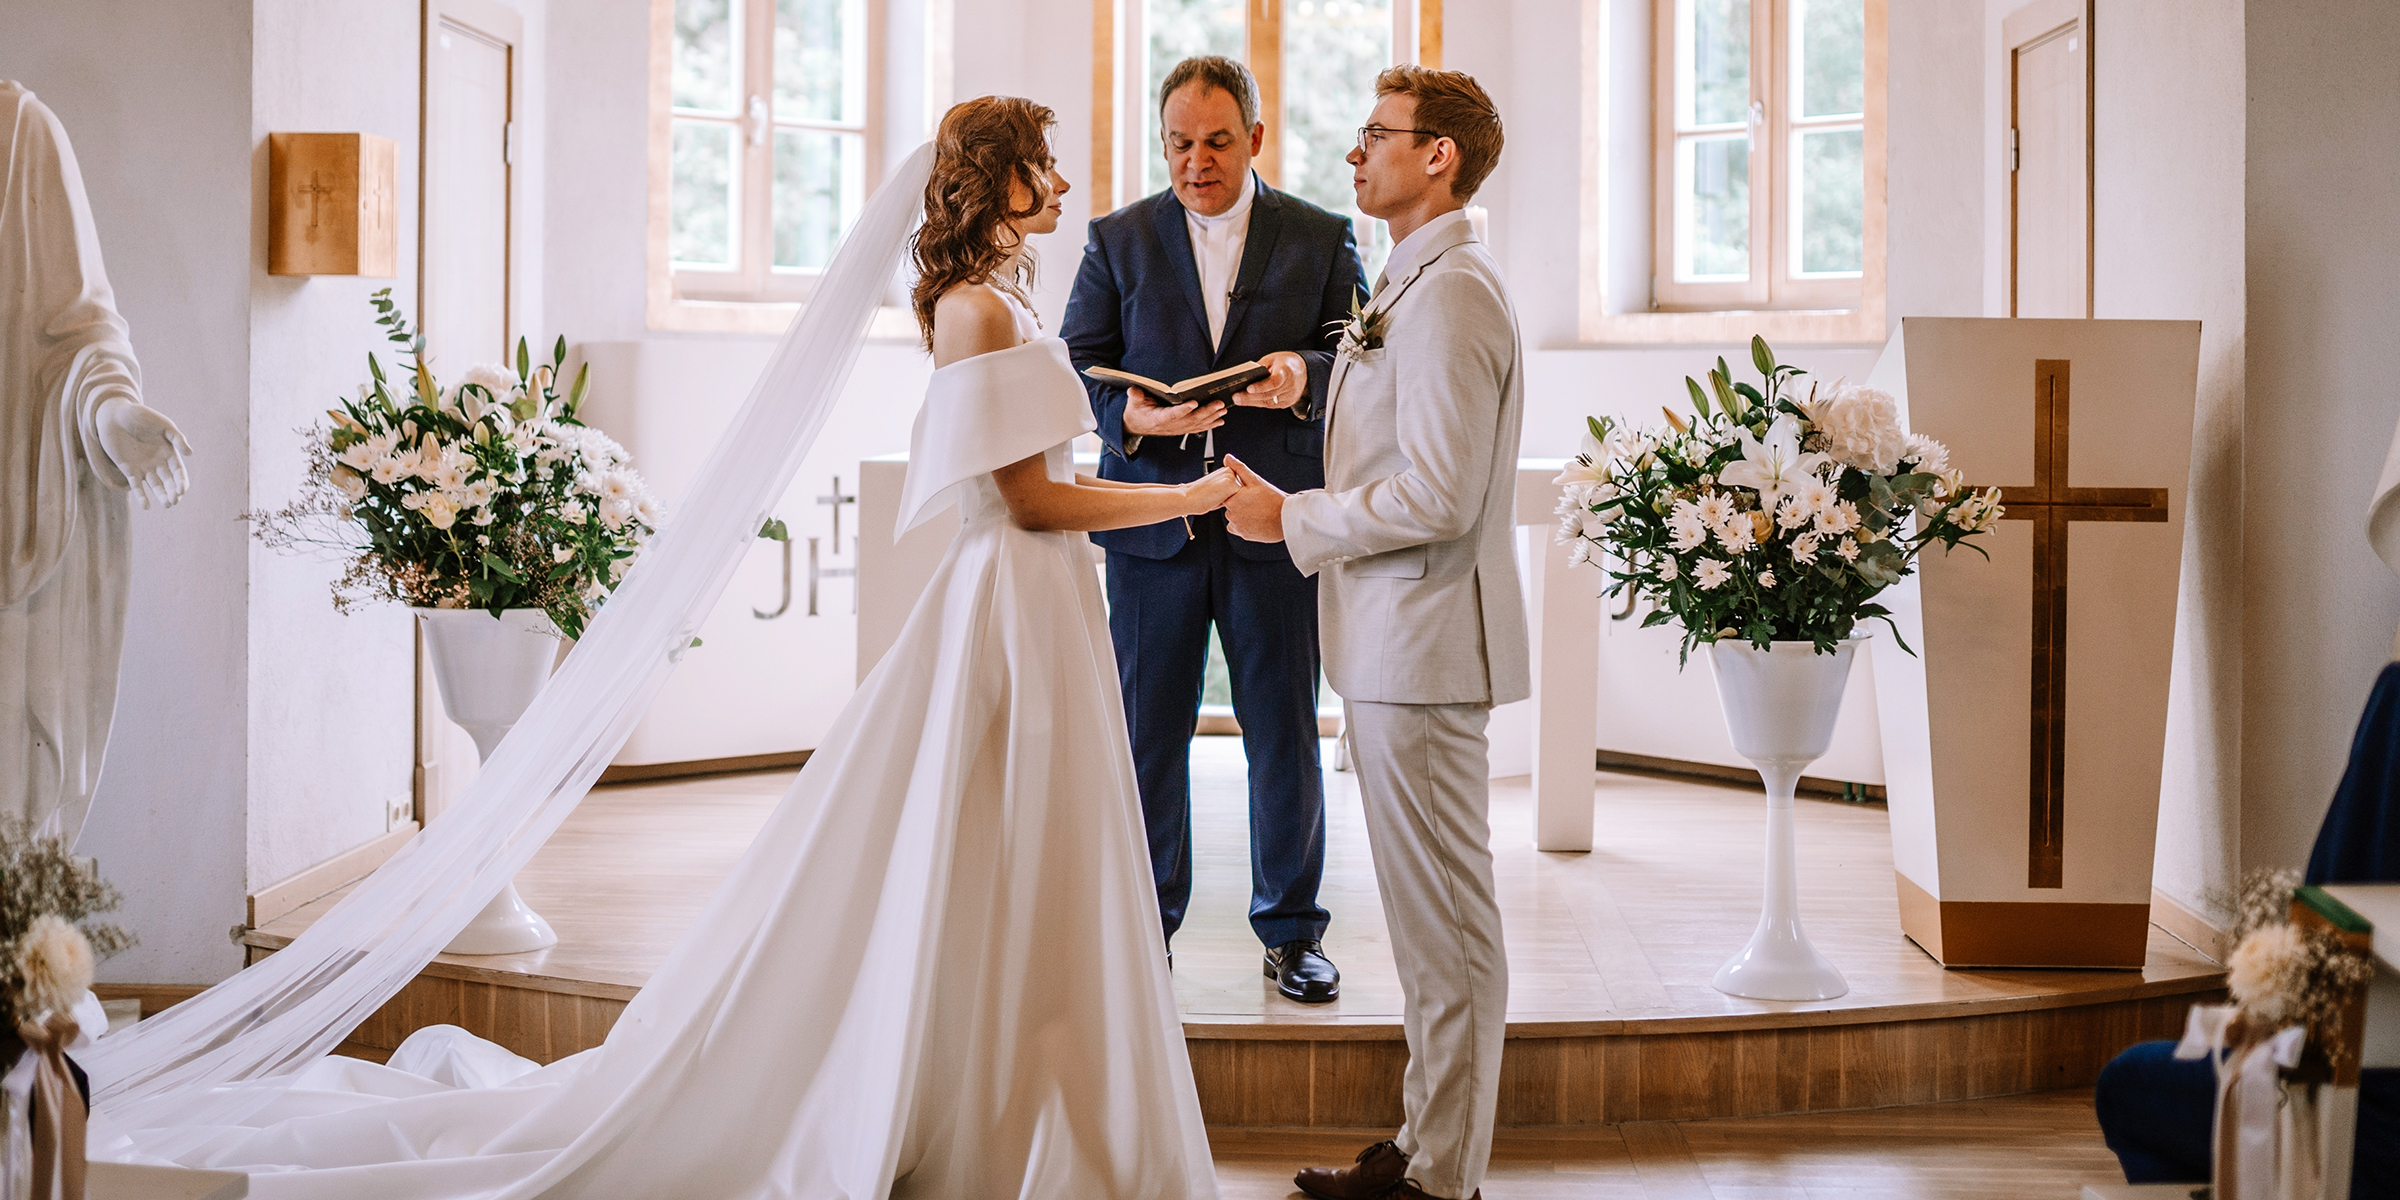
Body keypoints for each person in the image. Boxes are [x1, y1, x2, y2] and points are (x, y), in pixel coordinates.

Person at [90, 97, 1232, 1200]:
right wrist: (1187, 499)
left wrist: (1156, 444)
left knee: (1021, 845)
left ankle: (1019, 1100)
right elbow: (1030, 502)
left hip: (1039, 604)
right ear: (996, 177)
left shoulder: (1000, 298)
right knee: (994, 839)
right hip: (1011, 601)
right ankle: (984, 1106)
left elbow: (1045, 467)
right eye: (1044, 158)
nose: (1066, 181)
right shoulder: (975, 311)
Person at [1222, 65, 1523, 1200]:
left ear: (1436, 155)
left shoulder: (1452, 293)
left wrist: (1289, 516)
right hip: (1397, 641)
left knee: (1446, 927)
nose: (1354, 155)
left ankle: (1442, 1179)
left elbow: (1441, 494)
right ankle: (1428, 1144)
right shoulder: (1412, 281)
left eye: (1375, 136)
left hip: (1427, 645)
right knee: (1424, 922)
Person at [1062, 55, 1365, 1002]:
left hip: (1274, 521)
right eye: (1180, 143)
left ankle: (1291, 934)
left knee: (1284, 728)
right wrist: (1133, 422)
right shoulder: (1117, 239)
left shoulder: (1321, 235)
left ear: (1257, 140)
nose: (1197, 161)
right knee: (1149, 732)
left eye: (1217, 141)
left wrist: (1303, 373)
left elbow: (1359, 351)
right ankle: (1145, 925)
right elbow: (1079, 356)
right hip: (1153, 525)